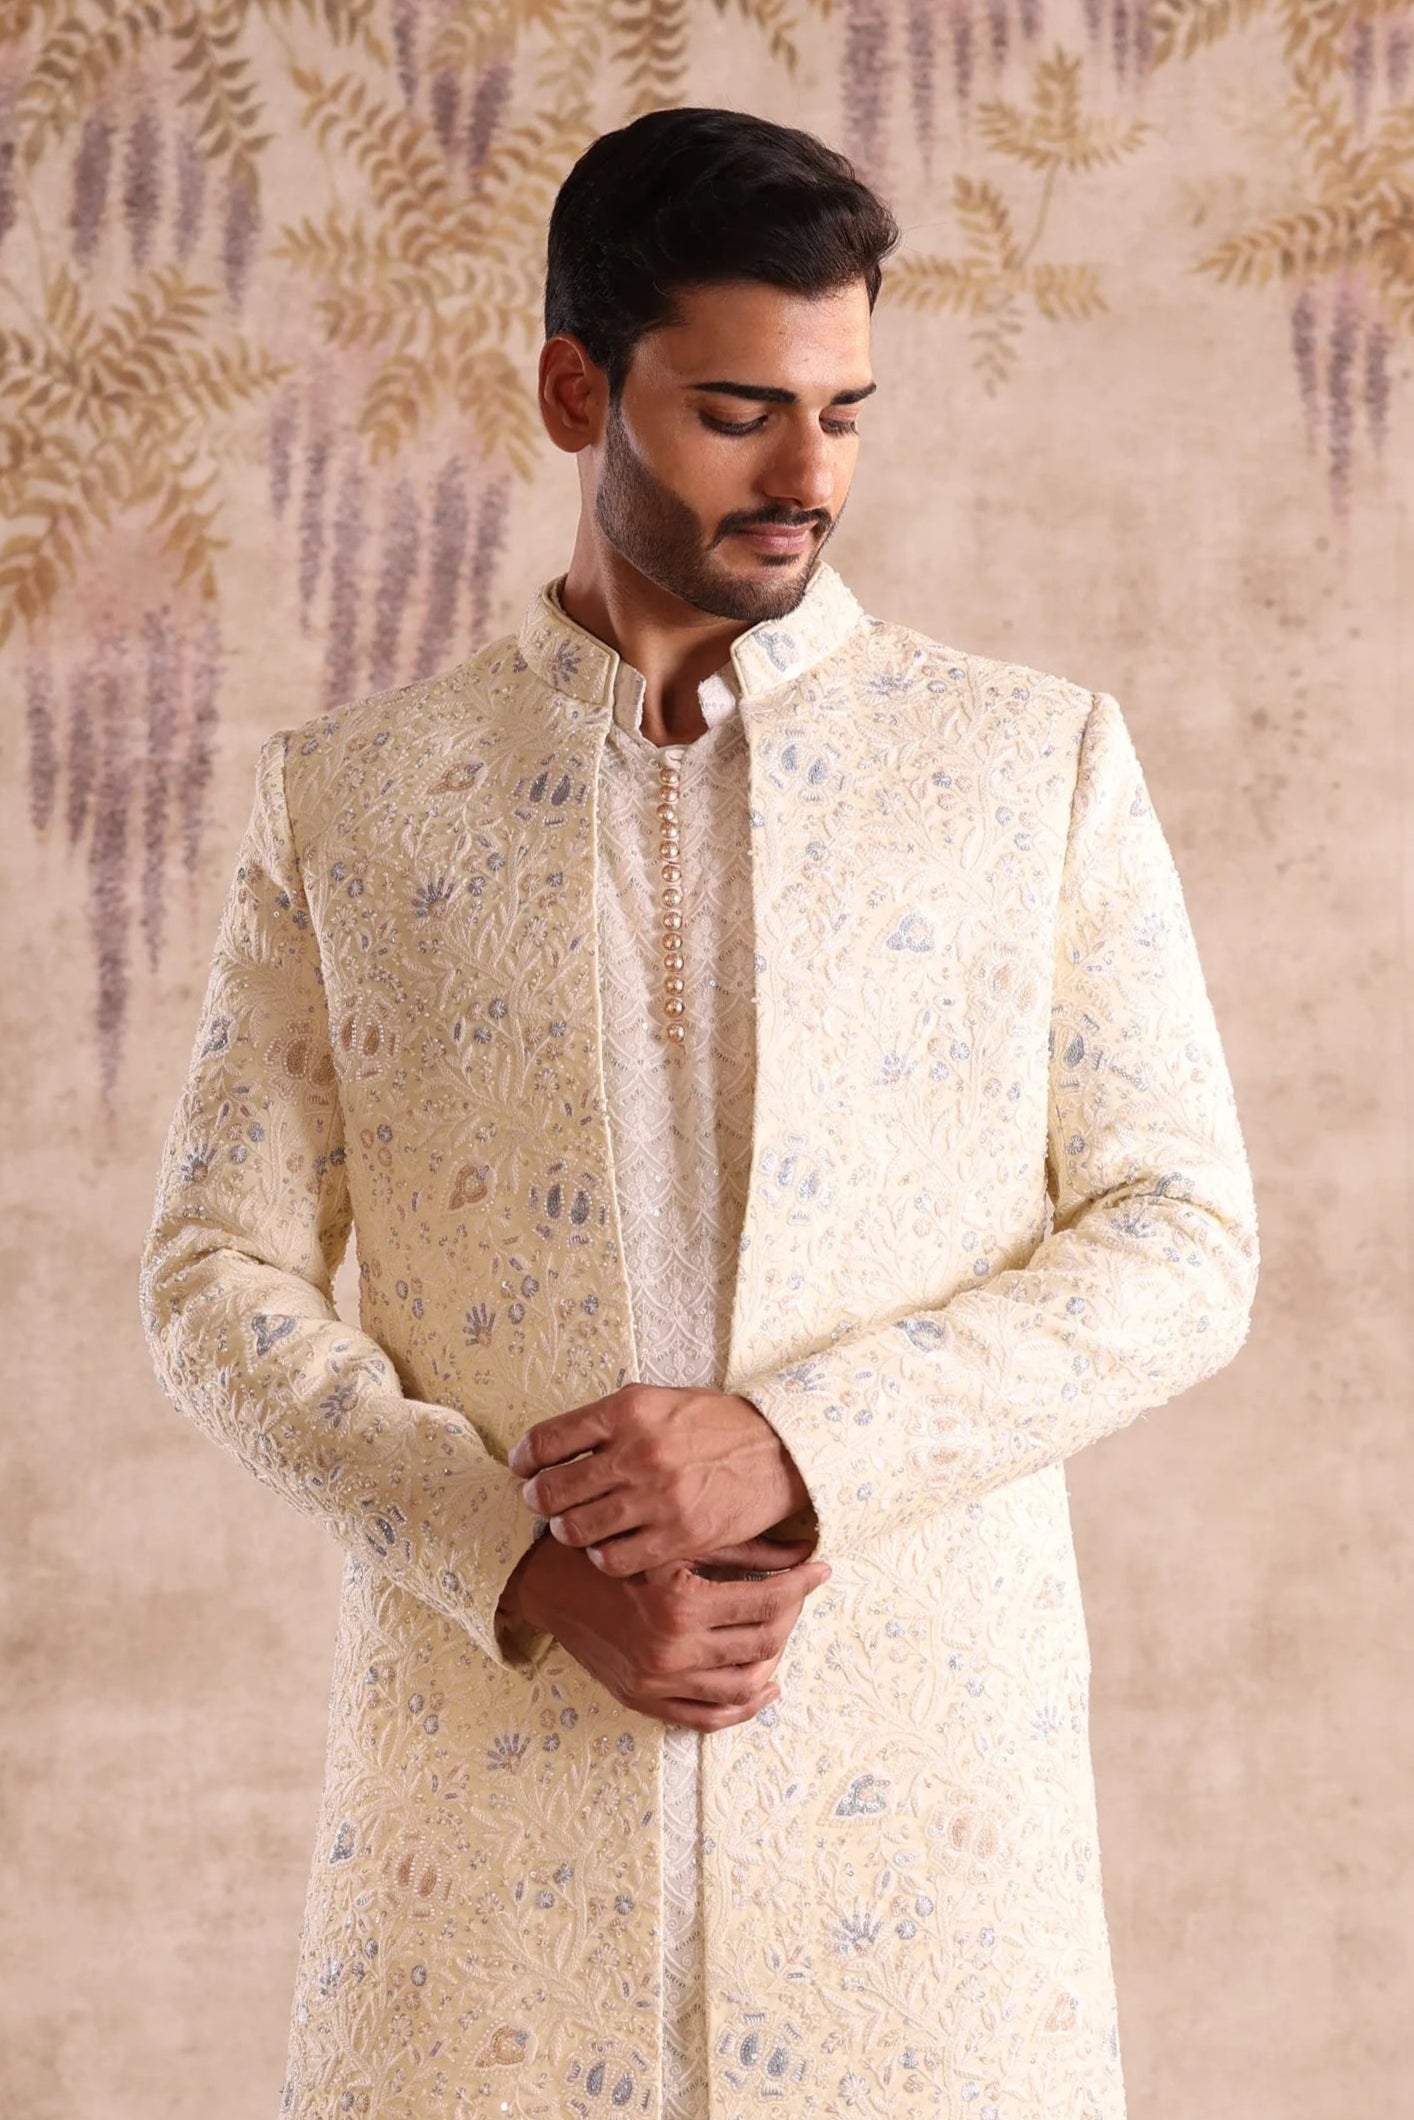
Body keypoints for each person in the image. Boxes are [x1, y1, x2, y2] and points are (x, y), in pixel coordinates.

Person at [139, 104, 1259, 2120]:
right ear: (578, 385)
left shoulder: (1027, 771)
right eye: (738, 410)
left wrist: (788, 1443)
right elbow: (214, 1278)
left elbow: (1181, 1236)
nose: (807, 476)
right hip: (479, 1861)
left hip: (922, 1867)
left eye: (843, 409)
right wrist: (516, 1559)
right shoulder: (361, 805)